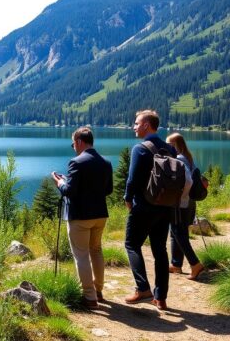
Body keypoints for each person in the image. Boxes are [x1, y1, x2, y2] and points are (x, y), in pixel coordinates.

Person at [52, 126, 113, 310]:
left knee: (81, 255)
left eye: (73, 144)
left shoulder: (76, 162)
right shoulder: (106, 163)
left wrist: (60, 182)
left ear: (79, 141)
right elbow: (108, 190)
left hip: (80, 217)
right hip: (100, 215)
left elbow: (69, 191)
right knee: (96, 250)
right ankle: (99, 290)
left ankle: (89, 296)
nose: (73, 147)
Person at [123, 110, 174, 310]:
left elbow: (132, 179)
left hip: (144, 207)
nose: (133, 126)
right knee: (160, 250)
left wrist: (128, 199)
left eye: (136, 123)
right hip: (166, 206)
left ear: (146, 125)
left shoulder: (140, 149)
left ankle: (143, 288)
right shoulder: (169, 148)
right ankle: (160, 298)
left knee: (131, 244)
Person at [166, 133, 205, 280]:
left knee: (178, 232)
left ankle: (195, 264)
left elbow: (188, 182)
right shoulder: (188, 157)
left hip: (181, 203)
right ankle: (176, 264)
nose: (167, 147)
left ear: (175, 145)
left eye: (169, 144)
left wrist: (181, 196)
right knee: (176, 232)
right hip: (189, 203)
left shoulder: (179, 159)